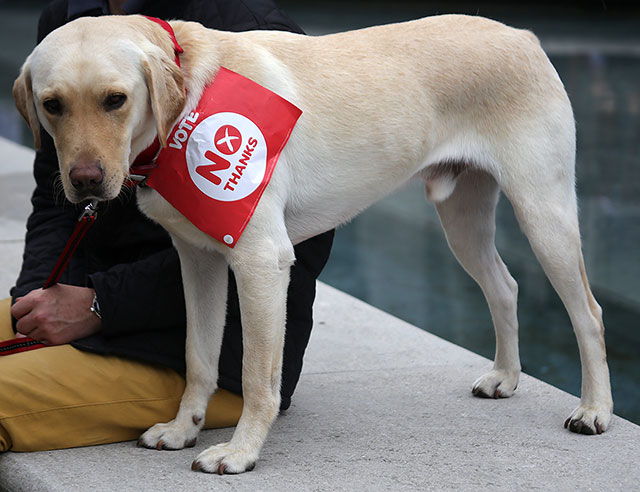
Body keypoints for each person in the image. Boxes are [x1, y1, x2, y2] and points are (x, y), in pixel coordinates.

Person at [0, 0, 334, 452]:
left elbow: (296, 237)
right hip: (91, 305)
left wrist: (101, 305)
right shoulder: (67, 20)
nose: (85, 164)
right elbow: (53, 197)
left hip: (204, 356)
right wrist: (39, 296)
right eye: (55, 107)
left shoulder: (245, 30)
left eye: (113, 101)